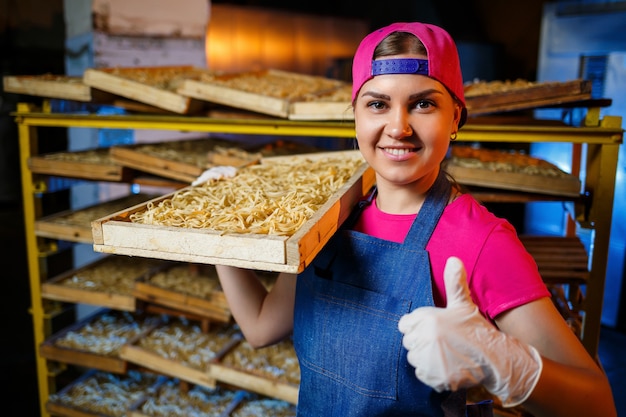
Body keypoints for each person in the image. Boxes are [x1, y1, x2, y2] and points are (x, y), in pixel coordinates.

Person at [215, 22, 617, 417]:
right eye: (377, 104)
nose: (398, 127)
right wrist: (215, 228)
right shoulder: (329, 218)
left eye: (423, 103)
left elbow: (598, 405)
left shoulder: (482, 240)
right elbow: (260, 326)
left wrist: (502, 364)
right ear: (355, 117)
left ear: (456, 118)